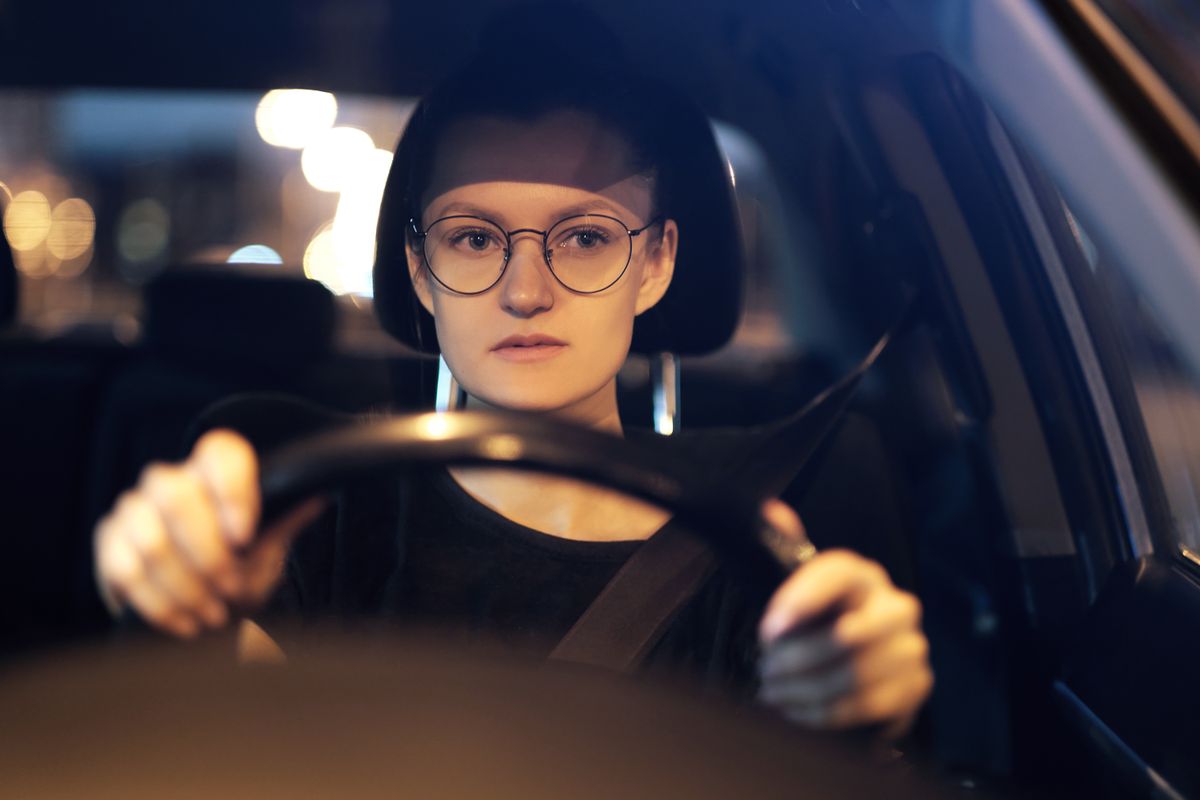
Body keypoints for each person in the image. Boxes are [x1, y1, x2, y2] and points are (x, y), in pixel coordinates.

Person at [92, 30, 932, 739]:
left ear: (658, 263)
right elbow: (234, 734)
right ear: (418, 270)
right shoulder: (308, 487)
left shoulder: (782, 517)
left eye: (585, 239)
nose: (526, 290)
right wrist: (178, 607)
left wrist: (860, 710)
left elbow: (833, 705)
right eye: (473, 240)